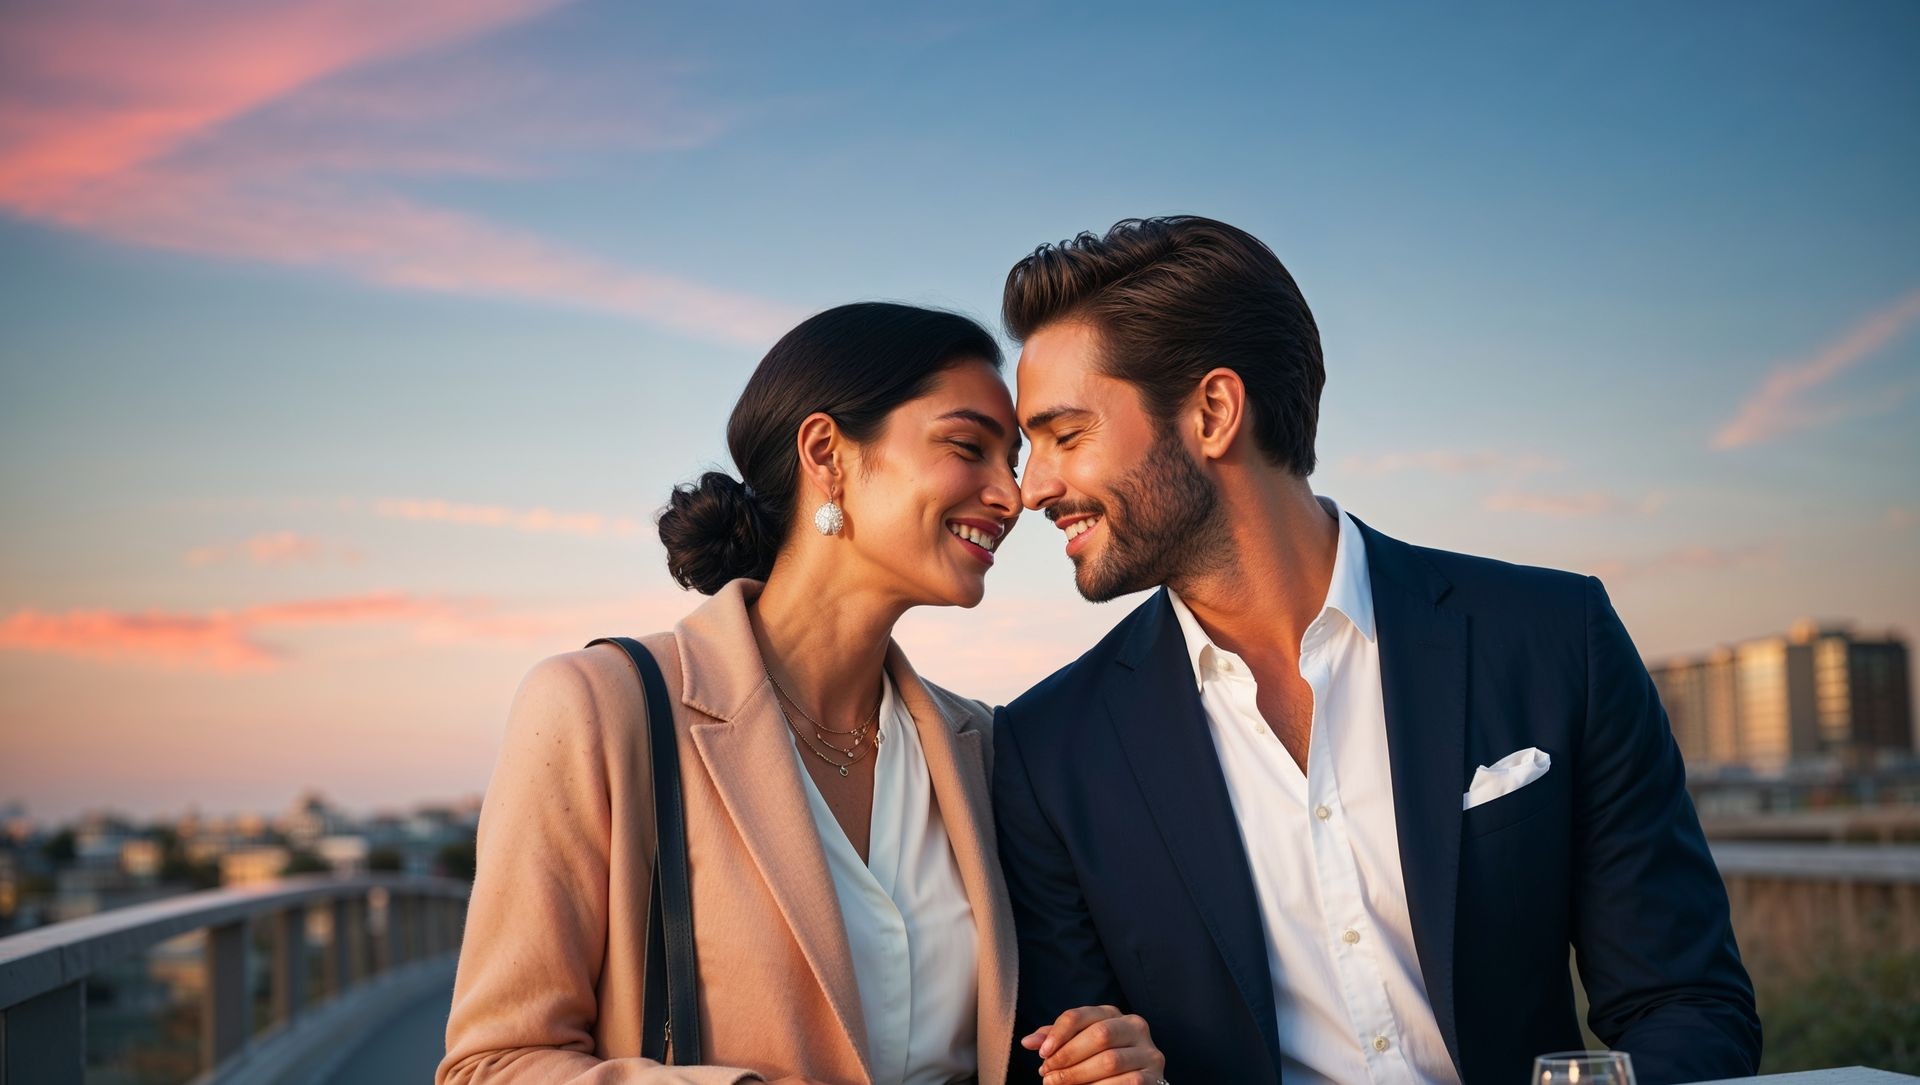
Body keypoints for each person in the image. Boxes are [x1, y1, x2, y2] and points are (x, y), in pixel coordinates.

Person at [991, 218, 1761, 1085]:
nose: (1031, 489)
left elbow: (1685, 1003)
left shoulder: (1551, 636)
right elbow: (1065, 1055)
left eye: (1065, 434)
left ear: (1212, 412)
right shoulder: (1047, 751)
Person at [438, 301, 1163, 1085]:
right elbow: (490, 1063)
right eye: (968, 447)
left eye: (1010, 459)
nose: (1012, 495)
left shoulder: (984, 748)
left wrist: (1098, 1060)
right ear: (826, 451)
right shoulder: (598, 707)